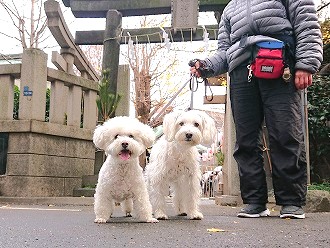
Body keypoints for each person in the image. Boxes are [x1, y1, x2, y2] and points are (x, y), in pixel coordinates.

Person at [190, 0, 323, 219]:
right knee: (245, 139)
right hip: (242, 72)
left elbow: (306, 24)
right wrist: (206, 66)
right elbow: (224, 51)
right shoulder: (230, 8)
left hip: (281, 64)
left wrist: (306, 64)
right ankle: (254, 200)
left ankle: (291, 200)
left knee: (285, 133)